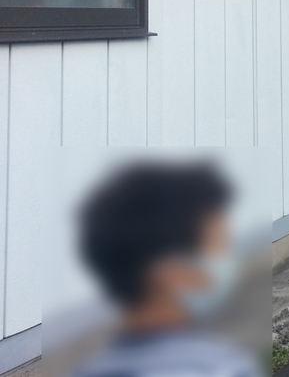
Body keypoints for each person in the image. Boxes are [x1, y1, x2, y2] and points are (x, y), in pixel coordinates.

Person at [70, 161, 262, 377]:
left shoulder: (84, 370)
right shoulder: (226, 369)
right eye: (220, 248)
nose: (227, 264)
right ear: (172, 273)